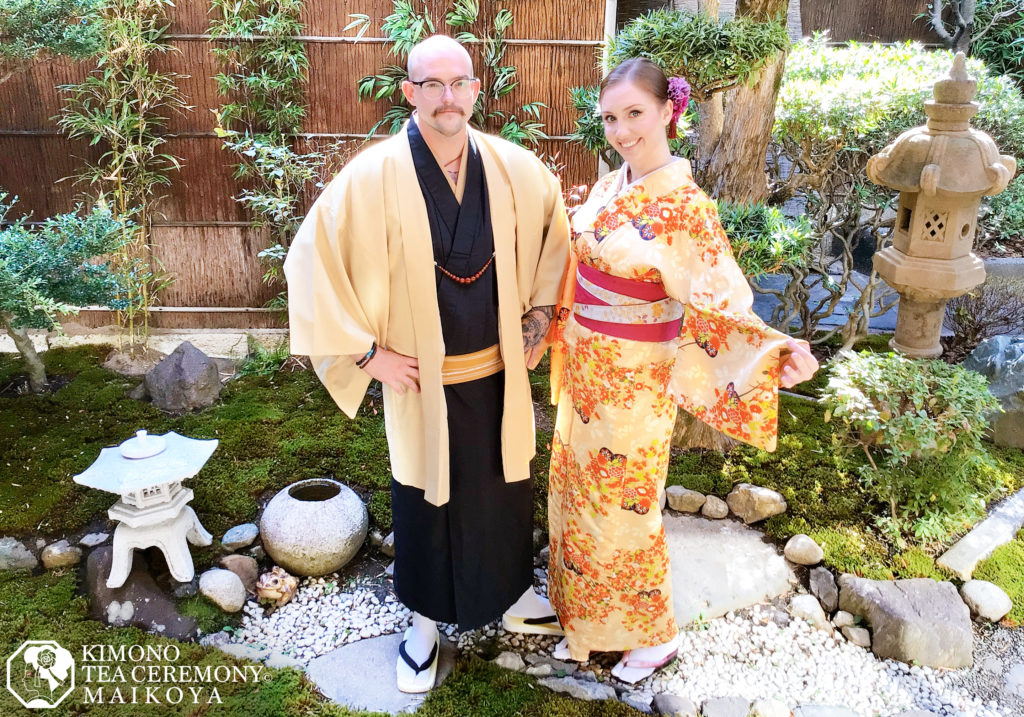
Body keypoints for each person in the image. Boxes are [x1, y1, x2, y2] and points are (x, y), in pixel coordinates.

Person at [284, 35, 570, 693]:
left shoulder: (513, 168)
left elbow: (554, 234)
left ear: (475, 89)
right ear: (409, 93)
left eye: (458, 82)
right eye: (431, 84)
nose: (447, 97)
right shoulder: (372, 175)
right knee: (425, 501)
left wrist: (538, 316)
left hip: (496, 374)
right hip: (420, 385)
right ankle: (422, 624)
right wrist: (364, 352)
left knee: (503, 490)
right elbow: (310, 260)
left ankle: (505, 595)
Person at [544, 58, 819, 683]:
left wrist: (770, 354)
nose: (621, 130)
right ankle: (588, 626)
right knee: (575, 496)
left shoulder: (685, 206)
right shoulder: (614, 185)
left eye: (634, 114)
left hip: (636, 382)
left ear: (670, 110)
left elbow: (722, 305)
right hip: (588, 371)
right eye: (610, 118)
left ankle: (652, 635)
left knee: (624, 508)